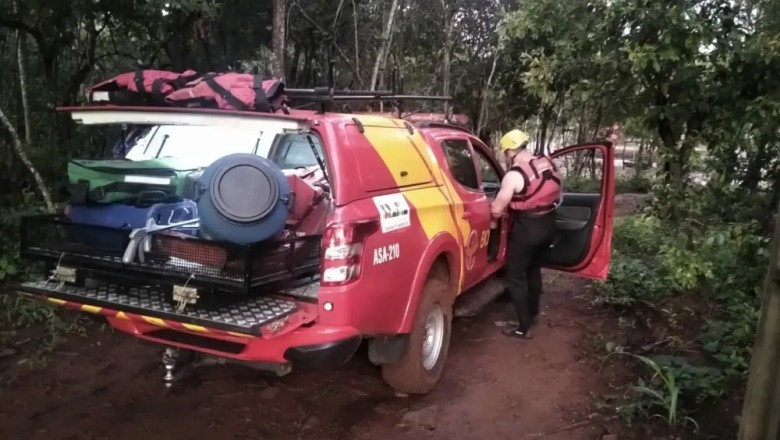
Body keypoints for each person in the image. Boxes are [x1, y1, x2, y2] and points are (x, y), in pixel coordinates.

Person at [490, 129, 562, 339]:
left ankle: (523, 327)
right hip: (549, 224)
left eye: (505, 152)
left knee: (515, 276)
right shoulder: (546, 163)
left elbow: (496, 209)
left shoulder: (514, 175)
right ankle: (532, 314)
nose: (505, 156)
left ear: (511, 151)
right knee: (533, 270)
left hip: (528, 229)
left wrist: (493, 220)